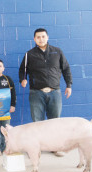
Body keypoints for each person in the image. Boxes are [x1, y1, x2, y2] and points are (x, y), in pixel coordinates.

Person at [19, 28, 72, 156]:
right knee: (37, 121)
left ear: (47, 37)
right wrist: (22, 79)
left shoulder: (57, 52)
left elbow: (66, 69)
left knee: (55, 121)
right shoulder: (29, 54)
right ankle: (36, 148)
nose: (41, 39)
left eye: (43, 36)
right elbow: (22, 70)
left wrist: (68, 85)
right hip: (36, 92)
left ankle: (56, 147)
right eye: (38, 37)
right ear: (34, 39)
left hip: (55, 92)